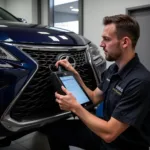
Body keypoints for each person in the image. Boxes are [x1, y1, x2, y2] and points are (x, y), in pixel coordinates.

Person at [43, 14, 150, 150]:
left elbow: (110, 133)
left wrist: (75, 107)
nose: (101, 44)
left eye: (106, 39)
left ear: (124, 42)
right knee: (55, 130)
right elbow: (94, 97)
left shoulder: (140, 81)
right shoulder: (113, 69)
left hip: (120, 144)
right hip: (103, 135)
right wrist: (75, 75)